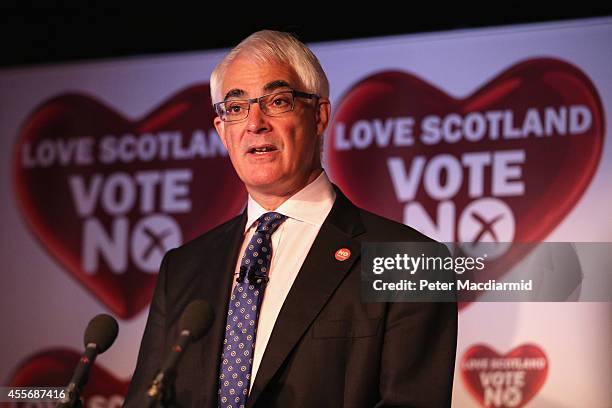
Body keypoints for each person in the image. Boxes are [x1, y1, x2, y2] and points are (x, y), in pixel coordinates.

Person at [124, 30, 457, 408]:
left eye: (277, 101)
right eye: (235, 108)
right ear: (222, 131)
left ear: (319, 116)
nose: (255, 122)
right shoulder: (183, 269)